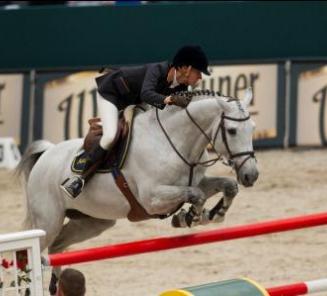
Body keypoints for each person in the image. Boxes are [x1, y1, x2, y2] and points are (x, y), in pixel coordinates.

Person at [61, 45, 211, 199]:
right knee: (110, 136)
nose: (200, 77)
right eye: (198, 72)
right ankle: (79, 179)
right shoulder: (158, 69)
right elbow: (146, 93)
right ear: (186, 68)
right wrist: (169, 99)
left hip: (134, 101)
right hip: (112, 95)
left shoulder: (182, 86)